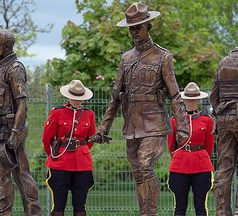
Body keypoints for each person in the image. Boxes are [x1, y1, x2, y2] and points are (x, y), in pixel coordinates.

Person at [90, 3, 189, 215]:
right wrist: (103, 129)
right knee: (137, 173)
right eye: (131, 28)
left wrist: (182, 127)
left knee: (145, 166)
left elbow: (174, 94)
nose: (134, 32)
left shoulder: (163, 57)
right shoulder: (126, 58)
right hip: (132, 125)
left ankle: (150, 212)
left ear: (148, 26)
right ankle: (143, 211)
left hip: (154, 123)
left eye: (138, 27)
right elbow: (115, 97)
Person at [0, 29, 42, 215]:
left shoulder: (15, 69)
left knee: (22, 175)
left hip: (12, 131)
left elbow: (22, 104)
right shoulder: (0, 69)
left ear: (6, 47)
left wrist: (15, 134)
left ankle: (33, 212)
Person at [210, 26, 238, 216]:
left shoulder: (223, 62)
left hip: (223, 119)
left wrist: (219, 117)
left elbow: (214, 95)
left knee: (224, 166)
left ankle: (222, 211)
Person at [42, 80, 96, 216]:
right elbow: (46, 139)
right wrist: (53, 155)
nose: (78, 102)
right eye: (75, 99)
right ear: (69, 97)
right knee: (58, 205)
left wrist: (81, 149)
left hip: (82, 163)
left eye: (80, 99)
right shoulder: (57, 113)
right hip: (61, 161)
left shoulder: (89, 114)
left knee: (80, 205)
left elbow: (91, 139)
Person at [167, 82, 215, 216]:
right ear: (184, 100)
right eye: (189, 99)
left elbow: (209, 145)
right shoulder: (174, 121)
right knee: (179, 207)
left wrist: (202, 157)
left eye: (194, 99)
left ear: (198, 100)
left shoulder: (207, 121)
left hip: (201, 165)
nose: (191, 102)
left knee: (200, 207)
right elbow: (171, 145)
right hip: (179, 165)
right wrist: (178, 157)